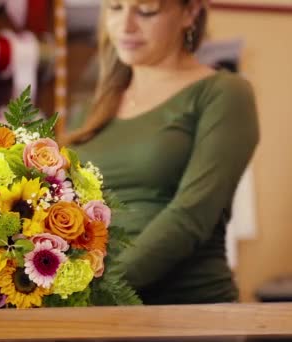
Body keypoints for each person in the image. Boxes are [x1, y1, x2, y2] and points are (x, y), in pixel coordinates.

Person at [63, 0, 260, 304]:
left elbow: (191, 215)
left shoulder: (224, 93)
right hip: (97, 314)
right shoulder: (91, 112)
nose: (125, 26)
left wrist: (95, 292)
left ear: (191, 12)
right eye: (115, 8)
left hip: (186, 313)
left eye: (146, 11)